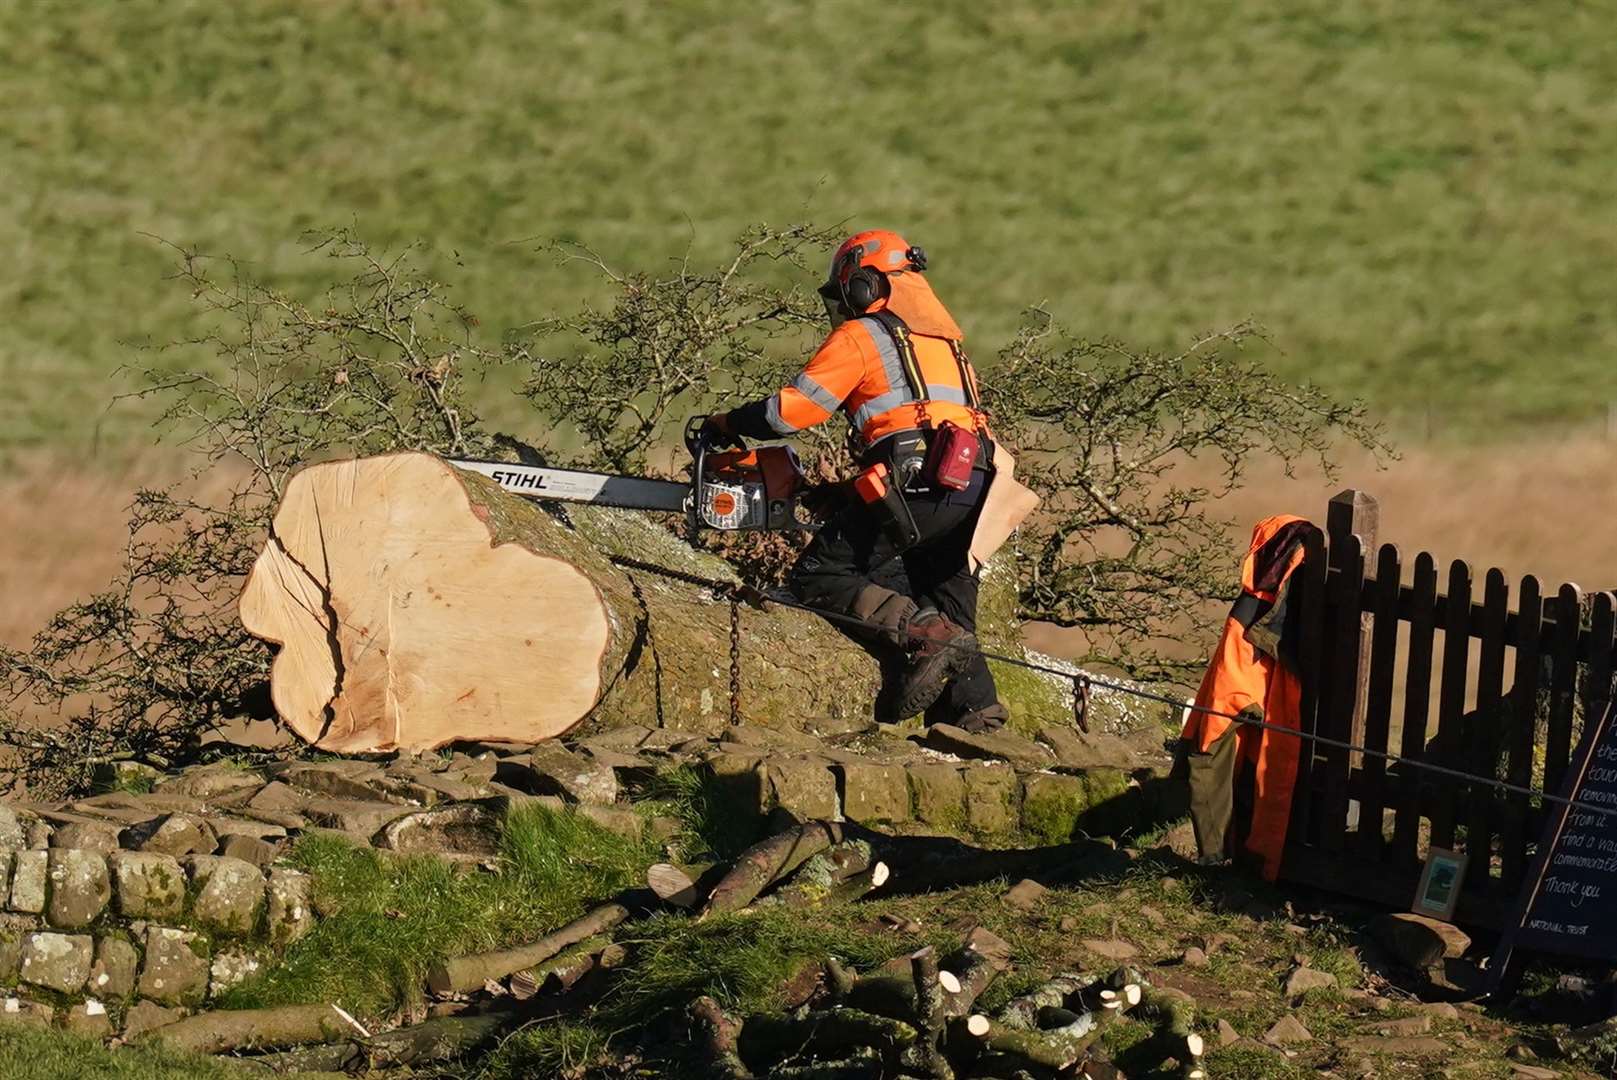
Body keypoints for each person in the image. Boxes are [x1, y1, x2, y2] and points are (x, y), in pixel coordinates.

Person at [695, 230, 1007, 731]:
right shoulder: (948, 347)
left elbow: (790, 412)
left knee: (820, 574)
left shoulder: (863, 336)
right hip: (974, 488)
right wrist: (843, 494)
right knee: (947, 596)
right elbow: (926, 421)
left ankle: (924, 632)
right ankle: (977, 720)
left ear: (863, 285)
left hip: (917, 481)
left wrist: (727, 423)